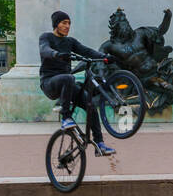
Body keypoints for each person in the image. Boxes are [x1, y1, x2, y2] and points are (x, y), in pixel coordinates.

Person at [38, 10, 115, 155]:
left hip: (67, 85)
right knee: (69, 78)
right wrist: (56, 54)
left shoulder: (70, 42)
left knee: (91, 105)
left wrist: (105, 57)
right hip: (49, 83)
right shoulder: (46, 37)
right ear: (56, 25)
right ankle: (66, 117)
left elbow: (86, 51)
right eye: (64, 23)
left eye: (69, 23)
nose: (67, 26)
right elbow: (44, 50)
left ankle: (100, 144)